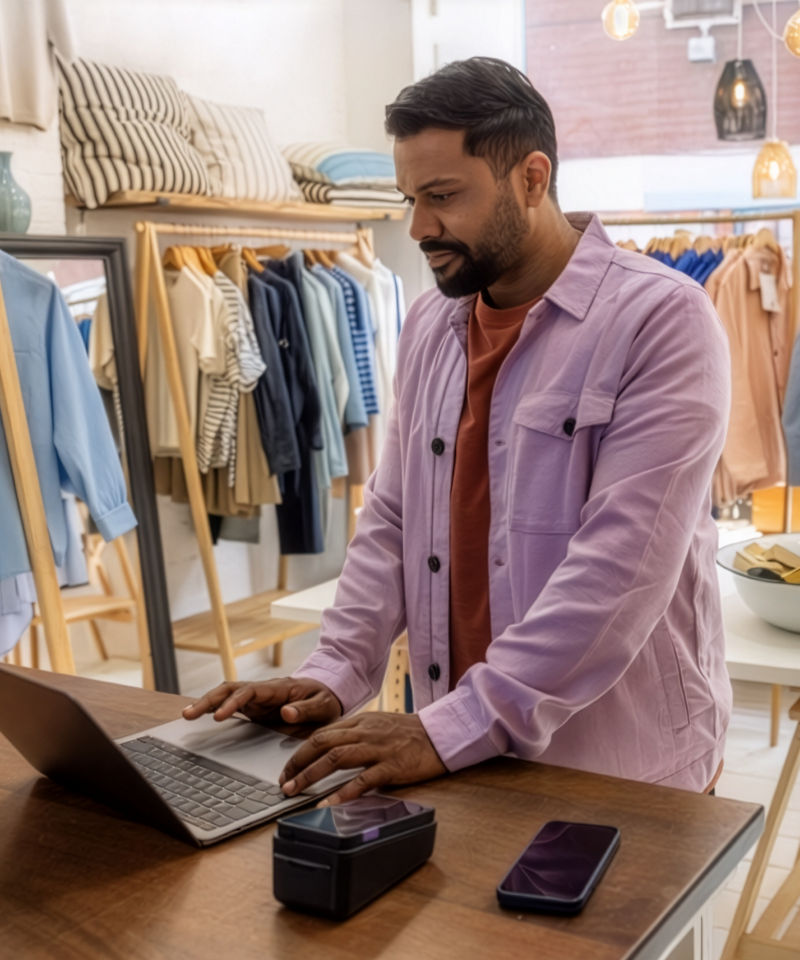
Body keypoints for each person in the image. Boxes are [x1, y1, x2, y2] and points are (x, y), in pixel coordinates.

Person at [184, 57, 732, 805]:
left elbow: (621, 570)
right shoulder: (430, 325)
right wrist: (333, 673)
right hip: (461, 751)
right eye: (411, 198)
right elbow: (394, 516)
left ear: (531, 179)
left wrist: (454, 725)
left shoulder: (662, 320)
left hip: (612, 767)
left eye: (442, 197)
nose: (418, 227)